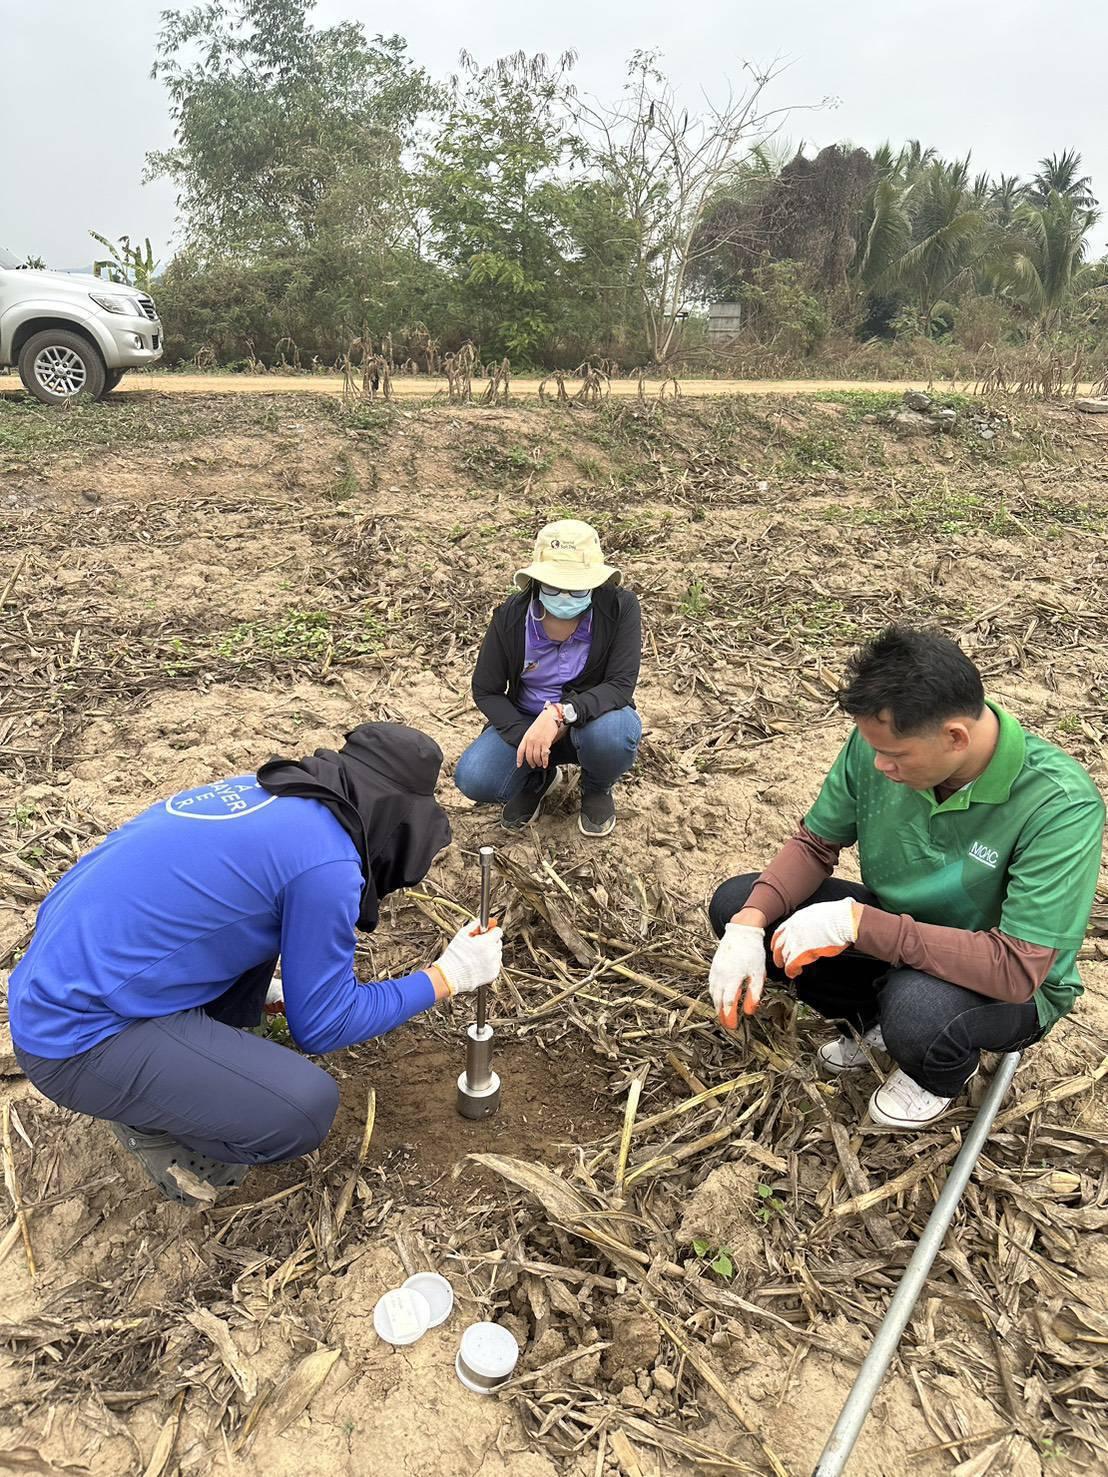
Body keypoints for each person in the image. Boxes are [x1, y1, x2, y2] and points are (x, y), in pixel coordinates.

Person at [8, 723, 502, 1205]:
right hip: (74, 1040)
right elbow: (325, 1026)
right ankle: (154, 1124)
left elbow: (212, 909)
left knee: (260, 934)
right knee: (304, 1111)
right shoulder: (328, 865)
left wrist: (267, 992)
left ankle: (168, 1062)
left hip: (52, 979)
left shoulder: (272, 794)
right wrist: (447, 977)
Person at [707, 627, 1105, 1129]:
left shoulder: (1058, 805)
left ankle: (938, 1072)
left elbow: (1017, 968)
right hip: (900, 932)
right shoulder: (883, 743)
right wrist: (749, 922)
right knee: (740, 902)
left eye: (895, 756)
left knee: (918, 1011)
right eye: (875, 749)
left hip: (1002, 982)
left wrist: (858, 926)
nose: (879, 765)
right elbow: (815, 843)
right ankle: (871, 1021)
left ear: (956, 737)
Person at [454, 518, 642, 837]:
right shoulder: (512, 616)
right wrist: (525, 736)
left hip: (590, 718)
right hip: (527, 719)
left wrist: (560, 715)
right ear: (537, 581)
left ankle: (596, 786)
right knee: (475, 777)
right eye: (554, 586)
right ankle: (538, 777)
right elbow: (486, 690)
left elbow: (620, 685)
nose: (566, 596)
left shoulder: (619, 607)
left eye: (578, 587)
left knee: (614, 733)